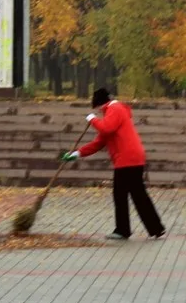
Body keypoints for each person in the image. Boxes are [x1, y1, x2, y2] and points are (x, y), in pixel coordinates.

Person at [61, 87, 166, 240]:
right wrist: (76, 154)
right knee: (138, 194)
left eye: (97, 108)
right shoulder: (114, 112)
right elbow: (98, 142)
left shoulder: (114, 108)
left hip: (126, 158)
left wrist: (92, 119)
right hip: (132, 157)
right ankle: (155, 228)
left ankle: (124, 230)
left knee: (121, 194)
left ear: (100, 103)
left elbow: (107, 128)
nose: (98, 112)